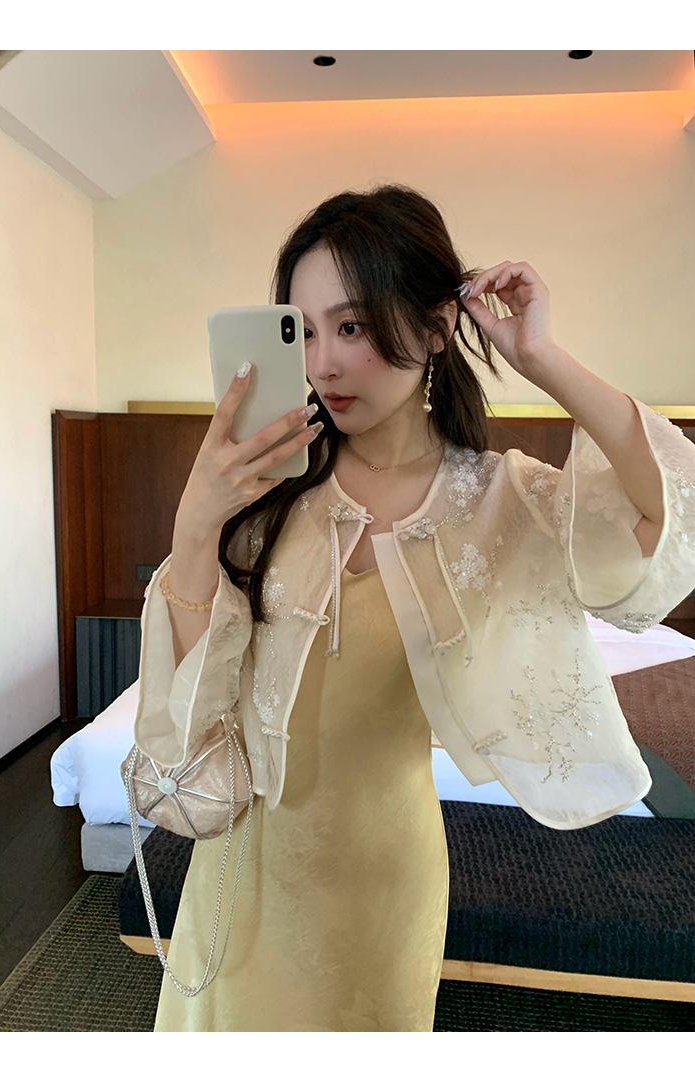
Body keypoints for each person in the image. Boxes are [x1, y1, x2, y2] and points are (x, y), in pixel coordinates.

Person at [135, 183, 695, 1031]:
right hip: (242, 878)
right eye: (304, 330)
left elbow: (670, 522)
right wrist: (196, 523)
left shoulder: (499, 502)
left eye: (353, 326)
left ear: (436, 328)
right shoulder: (268, 492)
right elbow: (185, 716)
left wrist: (542, 357)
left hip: (385, 885)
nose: (324, 364)